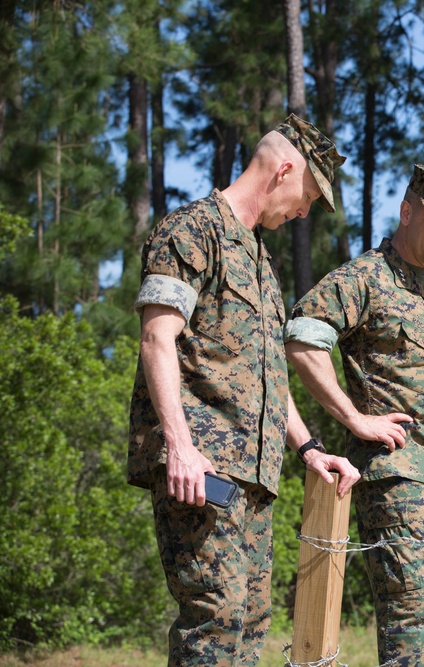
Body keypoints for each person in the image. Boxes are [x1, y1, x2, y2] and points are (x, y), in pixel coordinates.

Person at [128, 114, 361, 667]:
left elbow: (264, 379)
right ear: (283, 171)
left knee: (250, 623)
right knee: (216, 617)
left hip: (254, 477)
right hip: (203, 469)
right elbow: (157, 340)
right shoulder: (190, 230)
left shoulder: (259, 260)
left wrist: (308, 449)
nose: (305, 212)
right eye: (309, 197)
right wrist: (181, 448)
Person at [284, 164, 424, 667]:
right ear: (407, 211)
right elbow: (303, 341)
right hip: (400, 480)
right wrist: (355, 419)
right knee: (410, 633)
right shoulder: (365, 277)